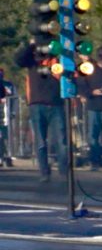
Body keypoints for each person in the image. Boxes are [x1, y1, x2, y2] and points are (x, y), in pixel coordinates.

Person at [15, 39, 67, 182]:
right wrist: (31, 44)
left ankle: (64, 172)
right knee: (40, 142)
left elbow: (68, 71)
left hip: (56, 104)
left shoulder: (57, 62)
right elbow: (19, 60)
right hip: (37, 105)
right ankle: (44, 172)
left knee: (61, 140)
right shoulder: (32, 61)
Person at [0, 69, 12, 167]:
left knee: (5, 137)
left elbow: (11, 94)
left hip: (5, 116)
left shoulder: (7, 84)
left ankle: (6, 157)